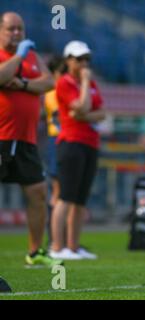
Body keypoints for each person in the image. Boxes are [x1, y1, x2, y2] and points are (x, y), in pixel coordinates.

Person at [0, 12, 62, 267]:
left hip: (26, 139)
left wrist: (23, 83)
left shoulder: (33, 57)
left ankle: (35, 251)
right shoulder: (17, 56)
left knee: (37, 192)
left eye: (20, 29)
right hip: (1, 137)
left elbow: (48, 82)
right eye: (11, 29)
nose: (16, 33)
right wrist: (18, 58)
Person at [50, 40, 105, 260]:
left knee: (80, 199)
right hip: (71, 142)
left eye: (86, 59)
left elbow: (100, 113)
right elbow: (82, 106)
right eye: (79, 59)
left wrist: (84, 114)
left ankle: (73, 247)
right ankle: (57, 246)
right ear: (68, 60)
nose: (84, 63)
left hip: (89, 143)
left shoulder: (89, 84)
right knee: (66, 196)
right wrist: (84, 83)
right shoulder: (65, 82)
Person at [44, 55, 66, 242]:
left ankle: (63, 239)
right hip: (57, 140)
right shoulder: (53, 92)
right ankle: (55, 239)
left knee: (65, 191)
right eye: (62, 72)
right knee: (58, 190)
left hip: (64, 141)